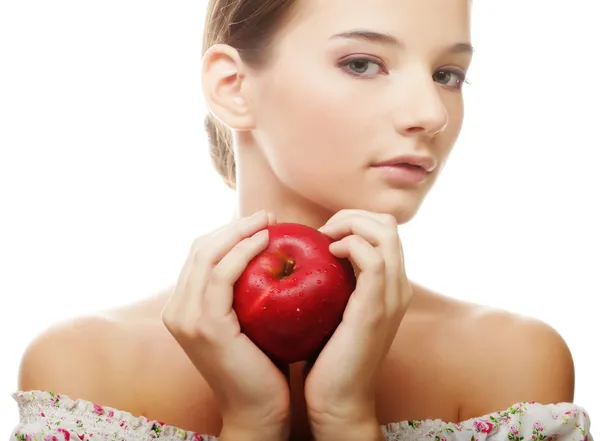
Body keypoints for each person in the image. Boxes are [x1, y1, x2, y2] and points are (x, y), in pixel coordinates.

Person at [11, 0, 593, 440]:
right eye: (363, 63)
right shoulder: (82, 369)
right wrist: (252, 421)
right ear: (233, 87)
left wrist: (345, 419)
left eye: (448, 75)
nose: (430, 113)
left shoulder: (512, 362)